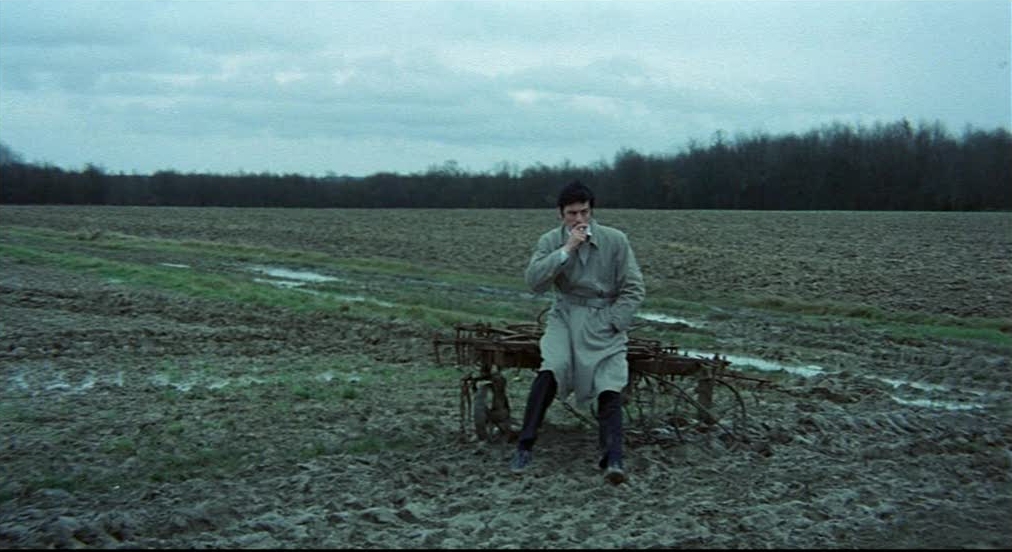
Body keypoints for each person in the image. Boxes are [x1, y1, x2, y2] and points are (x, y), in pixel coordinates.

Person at [510, 180, 645, 484]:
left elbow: (634, 287)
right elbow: (534, 282)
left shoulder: (615, 240)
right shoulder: (549, 241)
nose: (579, 219)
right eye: (572, 214)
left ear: (592, 211)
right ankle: (524, 446)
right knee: (553, 366)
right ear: (561, 214)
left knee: (609, 380)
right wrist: (566, 250)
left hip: (603, 319)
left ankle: (613, 459)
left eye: (584, 212)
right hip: (565, 316)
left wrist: (615, 321)